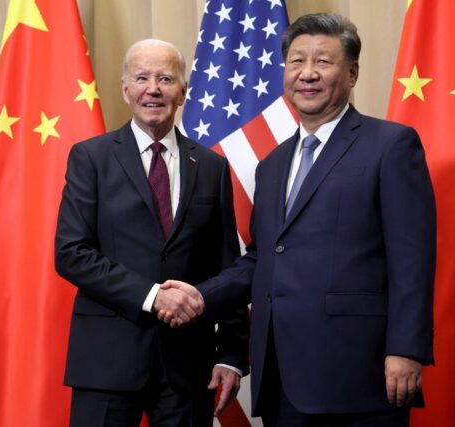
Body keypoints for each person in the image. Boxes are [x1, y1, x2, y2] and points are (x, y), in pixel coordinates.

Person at [160, 13, 436, 427]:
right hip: (282, 377)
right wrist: (201, 296)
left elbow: (412, 257)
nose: (307, 74)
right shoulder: (272, 164)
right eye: (296, 62)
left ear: (353, 72)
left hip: (358, 373)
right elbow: (261, 257)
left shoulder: (391, 145)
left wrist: (406, 349)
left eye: (323, 62)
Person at [54, 39, 249, 427]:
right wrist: (152, 296)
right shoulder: (90, 157)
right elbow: (71, 253)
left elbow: (227, 268)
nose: (153, 88)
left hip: (188, 367)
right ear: (126, 89)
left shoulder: (211, 167)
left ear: (183, 91)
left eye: (165, 78)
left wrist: (230, 354)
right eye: (141, 77)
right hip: (107, 363)